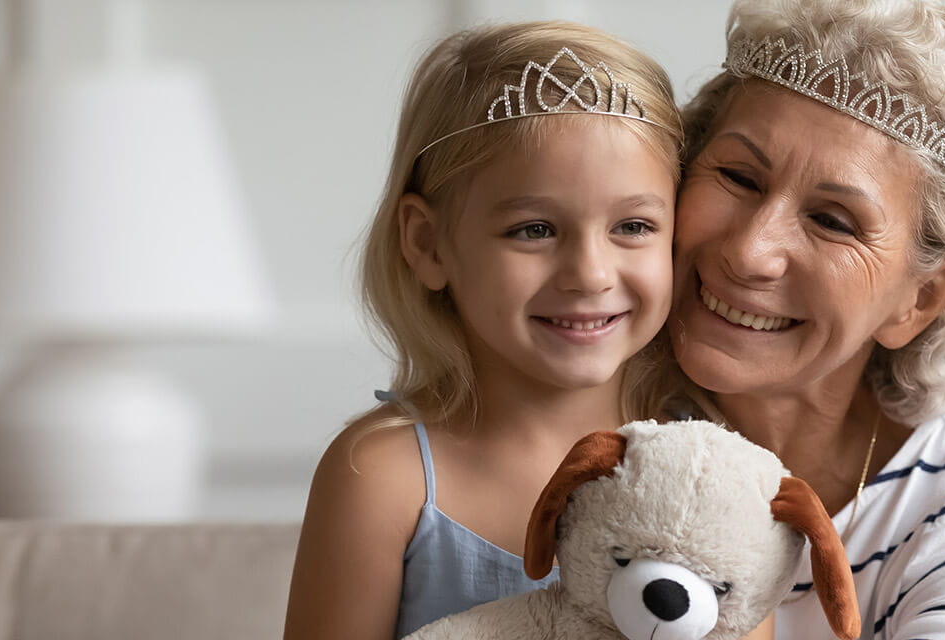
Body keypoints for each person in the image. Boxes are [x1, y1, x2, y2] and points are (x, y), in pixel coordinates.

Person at [669, 0, 945, 637]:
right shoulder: (565, 420)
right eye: (738, 176)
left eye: (833, 221)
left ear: (918, 301)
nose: (750, 250)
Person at [282, 21, 686, 639]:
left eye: (632, 226)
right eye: (534, 230)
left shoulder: (706, 457)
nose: (590, 274)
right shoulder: (384, 479)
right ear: (427, 243)